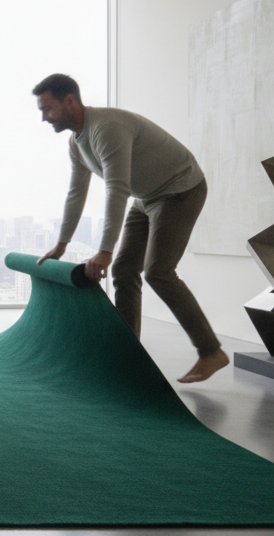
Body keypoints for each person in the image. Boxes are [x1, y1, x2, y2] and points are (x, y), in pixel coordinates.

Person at [32, 73, 229, 383]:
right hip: (146, 197)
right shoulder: (76, 143)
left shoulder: (106, 128)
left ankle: (210, 351)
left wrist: (105, 251)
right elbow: (76, 194)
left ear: (69, 101)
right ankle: (127, 354)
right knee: (125, 272)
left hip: (179, 189)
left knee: (158, 272)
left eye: (47, 109)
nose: (44, 118)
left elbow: (117, 188)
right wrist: (61, 244)